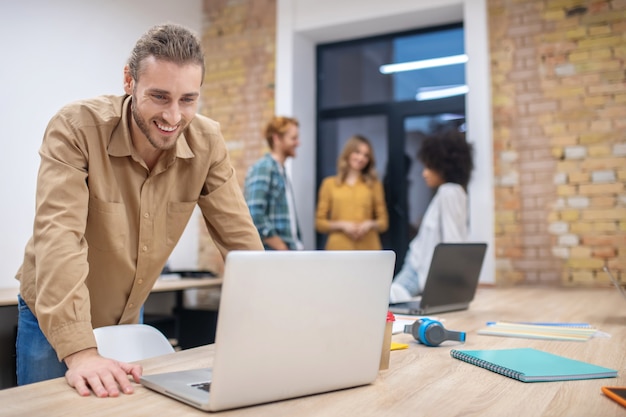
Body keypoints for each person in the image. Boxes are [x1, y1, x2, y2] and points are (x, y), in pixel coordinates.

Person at [14, 23, 264, 396]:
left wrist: (280, 322)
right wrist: (81, 353)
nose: (174, 117)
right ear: (129, 81)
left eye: (188, 100)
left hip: (128, 314)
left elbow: (241, 240)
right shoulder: (76, 128)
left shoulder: (207, 142)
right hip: (55, 317)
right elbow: (58, 239)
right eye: (160, 97)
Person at [389, 128, 474, 303]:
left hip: (416, 271)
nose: (424, 173)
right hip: (416, 267)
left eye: (429, 166)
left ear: (443, 166)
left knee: (386, 305)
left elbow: (452, 241)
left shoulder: (448, 192)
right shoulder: (456, 192)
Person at [315, 135, 388, 250]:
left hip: (368, 248)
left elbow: (383, 223)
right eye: (357, 152)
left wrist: (369, 224)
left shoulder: (374, 185)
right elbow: (320, 223)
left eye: (366, 155)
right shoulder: (329, 184)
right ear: (348, 153)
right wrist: (343, 225)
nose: (361, 158)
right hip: (339, 249)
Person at [244, 116, 303, 250]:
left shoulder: (280, 171)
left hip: (287, 254)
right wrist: (282, 248)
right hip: (275, 255)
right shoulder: (264, 168)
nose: (298, 143)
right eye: (293, 138)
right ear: (277, 138)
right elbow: (253, 213)